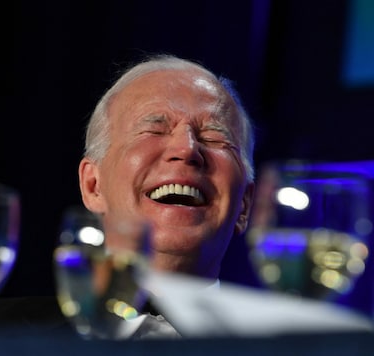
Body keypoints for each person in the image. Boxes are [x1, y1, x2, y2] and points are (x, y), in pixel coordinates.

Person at [77, 54, 256, 338]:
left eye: (213, 138)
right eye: (154, 130)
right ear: (93, 186)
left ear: (244, 204)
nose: (186, 149)